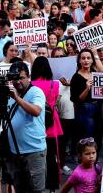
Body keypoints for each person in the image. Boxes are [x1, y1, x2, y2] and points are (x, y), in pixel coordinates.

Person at [5, 61, 47, 193]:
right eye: (16, 78)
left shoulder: (36, 92)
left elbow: (36, 111)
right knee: (20, 189)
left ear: (29, 77)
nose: (19, 82)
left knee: (36, 190)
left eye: (22, 78)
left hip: (34, 151)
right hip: (15, 152)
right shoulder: (10, 93)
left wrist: (16, 98)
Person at [31, 56, 63, 191]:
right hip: (51, 123)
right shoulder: (54, 84)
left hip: (36, 121)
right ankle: (52, 185)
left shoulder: (31, 85)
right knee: (51, 155)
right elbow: (55, 100)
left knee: (36, 155)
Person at [70, 49, 97, 139]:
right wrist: (87, 89)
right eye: (83, 58)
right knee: (87, 140)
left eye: (88, 58)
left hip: (97, 111)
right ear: (79, 61)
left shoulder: (96, 74)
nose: (86, 60)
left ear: (92, 60)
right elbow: (76, 100)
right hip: (84, 113)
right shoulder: (76, 77)